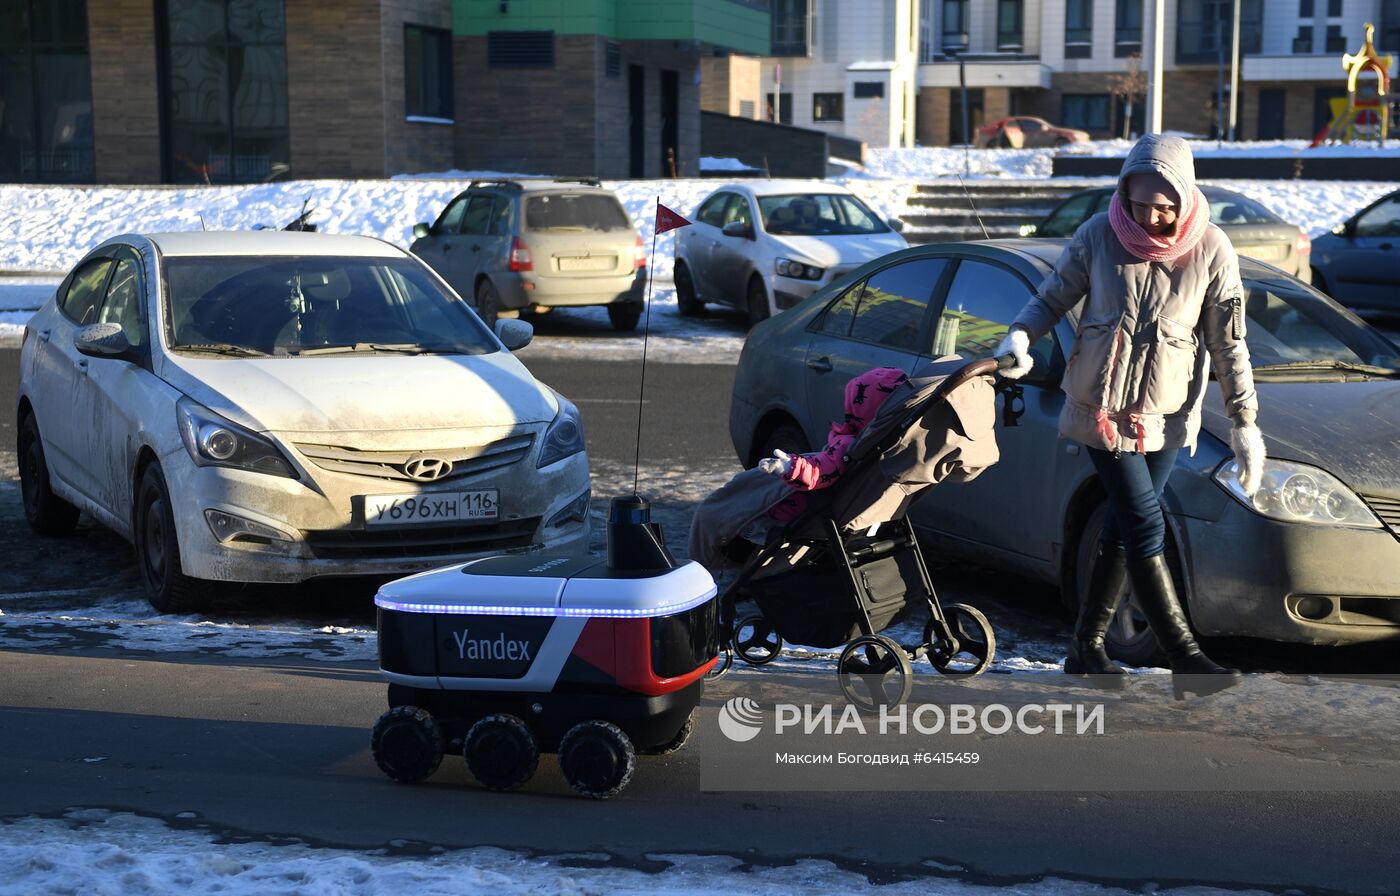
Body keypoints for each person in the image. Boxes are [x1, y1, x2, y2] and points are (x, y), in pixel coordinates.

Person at [996, 134, 1265, 698]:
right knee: (1145, 522)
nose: (1150, 218)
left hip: (1167, 415)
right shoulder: (1098, 234)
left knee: (1122, 529)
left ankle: (1086, 648)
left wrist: (1244, 423)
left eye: (1163, 206)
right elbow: (1051, 297)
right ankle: (1185, 658)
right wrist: (1021, 334)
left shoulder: (1213, 249)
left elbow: (1229, 345)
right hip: (1102, 410)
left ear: (1185, 196)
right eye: (1141, 206)